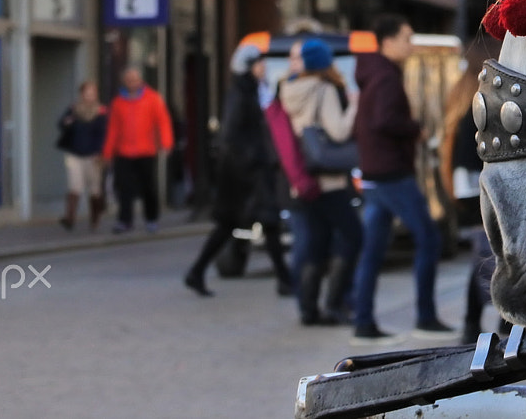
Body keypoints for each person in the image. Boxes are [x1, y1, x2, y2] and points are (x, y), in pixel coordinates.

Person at [350, 14, 454, 340]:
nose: (411, 45)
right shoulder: (385, 78)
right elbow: (384, 121)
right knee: (429, 239)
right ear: (389, 41)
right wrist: (416, 130)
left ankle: (363, 322)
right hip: (391, 174)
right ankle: (425, 317)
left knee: (373, 249)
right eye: (407, 38)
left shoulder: (375, 73)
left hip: (375, 174)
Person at [184, 37, 294, 297]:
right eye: (258, 64)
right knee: (261, 224)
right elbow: (232, 135)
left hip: (249, 173)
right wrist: (255, 159)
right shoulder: (240, 94)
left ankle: (197, 271)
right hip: (246, 175)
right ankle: (284, 280)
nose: (263, 68)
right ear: (248, 66)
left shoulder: (254, 91)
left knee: (248, 225)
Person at [279, 36, 364, 327]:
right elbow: (338, 132)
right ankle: (334, 302)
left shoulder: (288, 89)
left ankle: (308, 309)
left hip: (302, 179)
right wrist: (353, 105)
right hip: (329, 181)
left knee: (315, 243)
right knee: (354, 236)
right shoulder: (324, 89)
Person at [441, 62, 496, 344]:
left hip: (467, 187)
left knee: (483, 254)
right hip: (478, 187)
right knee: (489, 255)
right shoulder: (479, 104)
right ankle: (487, 321)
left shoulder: (462, 101)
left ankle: (474, 322)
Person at [103, 66, 174, 233]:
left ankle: (151, 219)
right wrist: (107, 152)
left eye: (134, 79)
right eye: (128, 80)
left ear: (140, 80)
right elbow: (113, 129)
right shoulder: (118, 102)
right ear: (124, 82)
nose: (132, 83)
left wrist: (166, 143)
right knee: (124, 188)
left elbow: (163, 121)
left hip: (146, 150)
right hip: (124, 151)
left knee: (148, 187)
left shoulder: (153, 98)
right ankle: (124, 221)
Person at [56, 81, 108, 230]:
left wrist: (101, 152)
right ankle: (70, 219)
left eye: (92, 93)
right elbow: (61, 124)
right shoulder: (73, 110)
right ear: (82, 94)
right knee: (74, 186)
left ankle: (94, 219)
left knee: (94, 190)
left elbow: (103, 134)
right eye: (87, 93)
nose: (89, 96)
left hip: (93, 155)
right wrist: (67, 122)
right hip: (75, 154)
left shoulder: (102, 112)